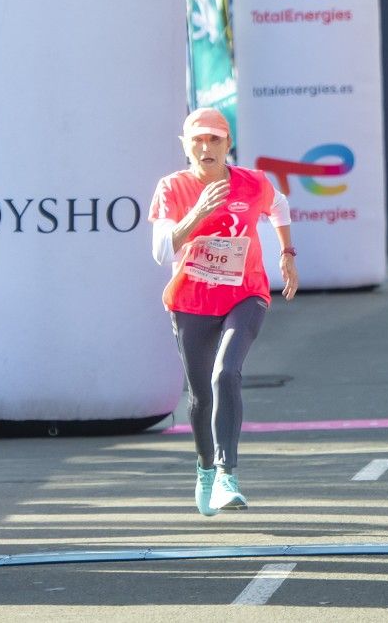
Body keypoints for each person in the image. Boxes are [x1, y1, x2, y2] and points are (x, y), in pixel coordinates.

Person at [148, 107, 298, 517]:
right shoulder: (172, 188)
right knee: (199, 394)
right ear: (185, 145)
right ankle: (204, 470)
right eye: (197, 139)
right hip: (192, 301)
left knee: (225, 373)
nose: (206, 146)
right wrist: (198, 212)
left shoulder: (252, 183)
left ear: (227, 144)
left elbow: (280, 206)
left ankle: (226, 474)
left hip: (245, 295)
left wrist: (286, 253)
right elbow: (162, 251)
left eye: (215, 139)